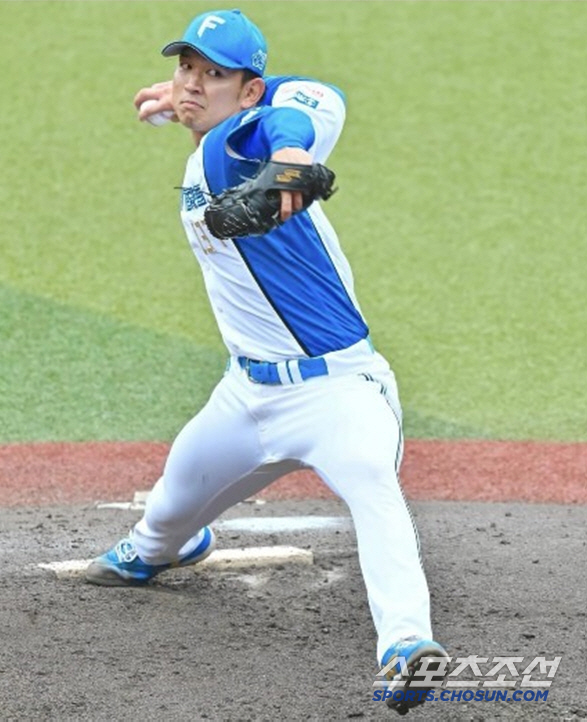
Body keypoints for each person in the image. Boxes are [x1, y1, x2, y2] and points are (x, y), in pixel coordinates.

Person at [85, 9, 449, 714]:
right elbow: (283, 99)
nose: (192, 83)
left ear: (248, 92)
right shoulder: (209, 142)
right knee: (161, 523)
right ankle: (167, 547)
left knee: (372, 486)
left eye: (213, 74)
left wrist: (289, 163)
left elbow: (299, 112)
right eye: (184, 67)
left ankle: (406, 646)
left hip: (339, 391)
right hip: (242, 396)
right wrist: (186, 101)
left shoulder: (241, 138)